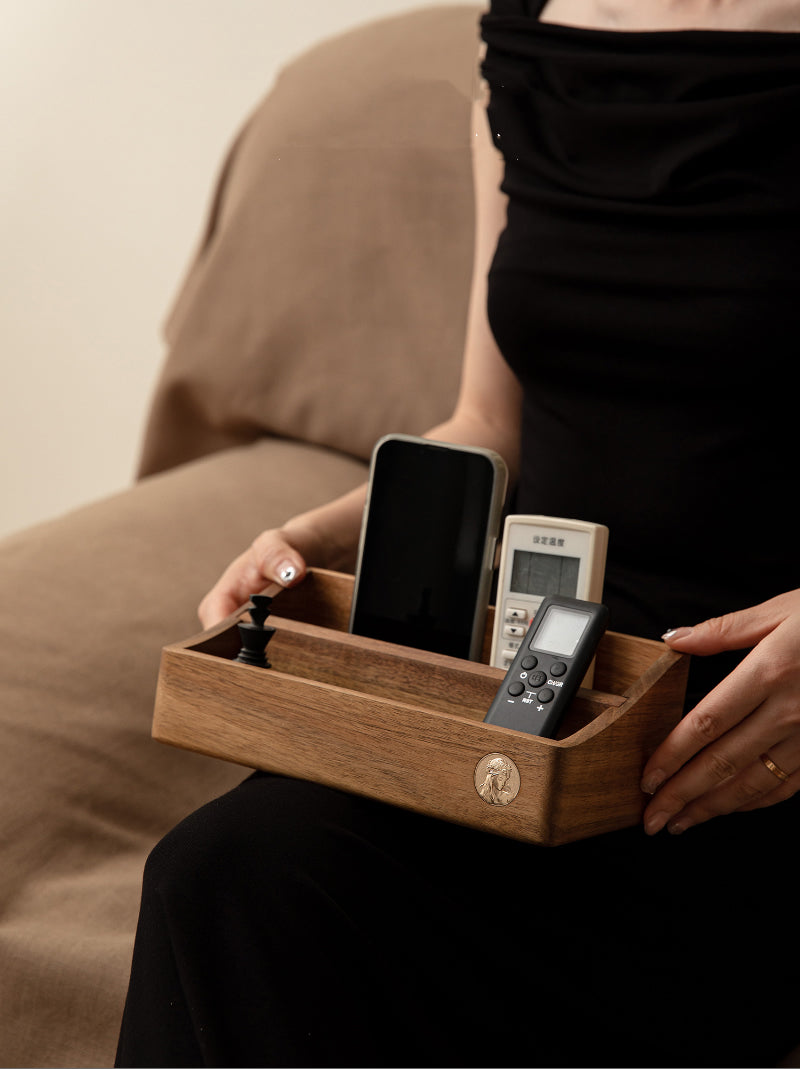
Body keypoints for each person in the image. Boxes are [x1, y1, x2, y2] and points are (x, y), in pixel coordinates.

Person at [115, 1, 800, 1066]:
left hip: (752, 733)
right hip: (535, 700)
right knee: (227, 874)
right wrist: (319, 536)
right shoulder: (530, 32)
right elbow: (489, 424)